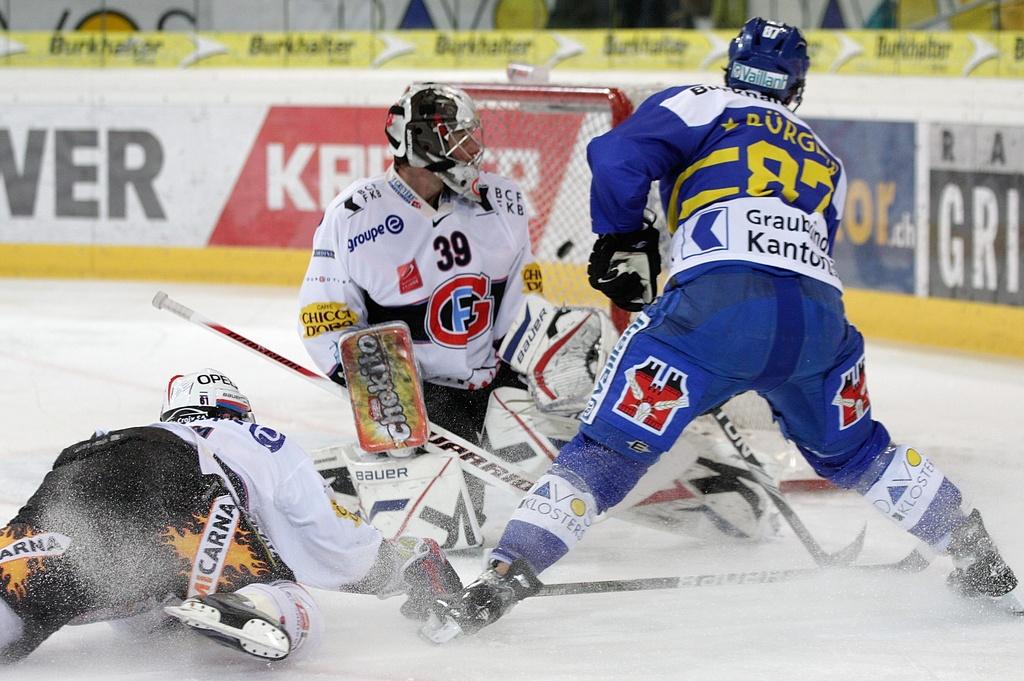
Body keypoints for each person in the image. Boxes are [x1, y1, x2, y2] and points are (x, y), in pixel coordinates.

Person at [422, 17, 1023, 641]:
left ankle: (500, 580)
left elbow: (617, 155)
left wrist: (625, 237)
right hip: (820, 324)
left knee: (606, 452)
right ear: (795, 86)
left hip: (713, 311)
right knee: (862, 452)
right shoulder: (826, 156)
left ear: (733, 67)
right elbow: (810, 252)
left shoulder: (700, 101)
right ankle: (979, 557)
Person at [0, 369, 461, 664]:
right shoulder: (251, 435)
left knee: (29, 592)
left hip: (77, 475)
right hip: (182, 485)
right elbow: (333, 538)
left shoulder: (123, 431)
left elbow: (128, 555)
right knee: (287, 597)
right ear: (238, 409)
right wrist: (403, 565)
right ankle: (246, 602)